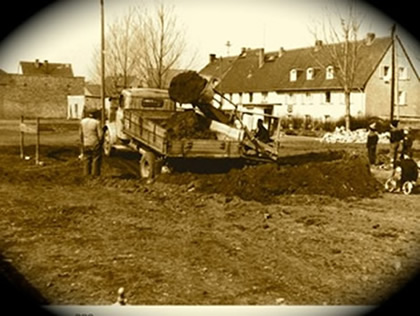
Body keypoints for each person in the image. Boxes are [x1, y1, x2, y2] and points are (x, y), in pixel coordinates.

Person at [80, 108, 103, 176]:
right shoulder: (97, 122)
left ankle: (86, 175)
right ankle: (95, 175)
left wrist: (82, 142)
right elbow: (100, 135)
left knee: (87, 159)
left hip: (86, 143)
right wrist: (101, 142)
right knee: (96, 159)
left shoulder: (82, 122)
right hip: (95, 142)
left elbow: (80, 134)